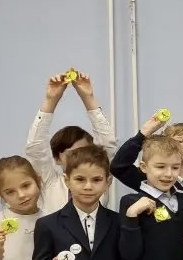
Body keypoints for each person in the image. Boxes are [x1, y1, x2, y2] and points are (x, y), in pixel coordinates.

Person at [25, 70, 116, 213]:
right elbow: (35, 148)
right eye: (71, 154)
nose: (79, 159)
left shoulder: (96, 179)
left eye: (84, 152)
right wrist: (50, 100)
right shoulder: (50, 182)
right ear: (57, 158)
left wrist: (88, 97)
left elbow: (108, 143)